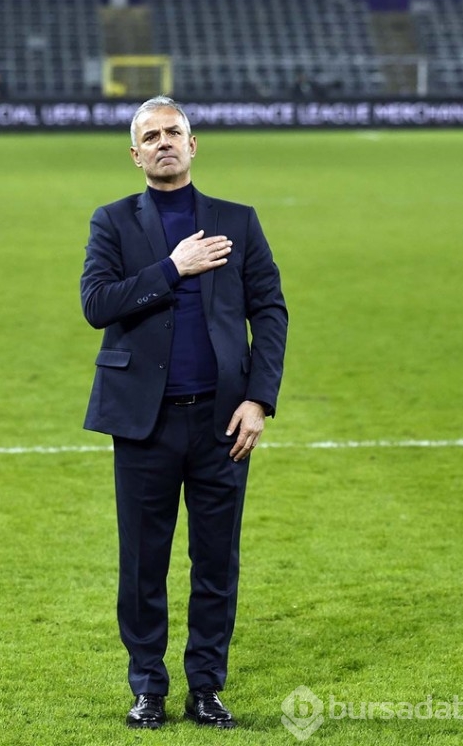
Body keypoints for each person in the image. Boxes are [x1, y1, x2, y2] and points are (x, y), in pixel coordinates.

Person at [80, 96, 287, 729]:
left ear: (193, 145)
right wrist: (173, 268)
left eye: (174, 132)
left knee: (216, 562)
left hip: (223, 423)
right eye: (152, 136)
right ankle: (148, 686)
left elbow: (270, 310)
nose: (164, 142)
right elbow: (97, 304)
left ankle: (206, 686)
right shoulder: (113, 222)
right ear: (135, 153)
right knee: (143, 563)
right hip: (144, 422)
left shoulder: (238, 221)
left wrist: (258, 399)